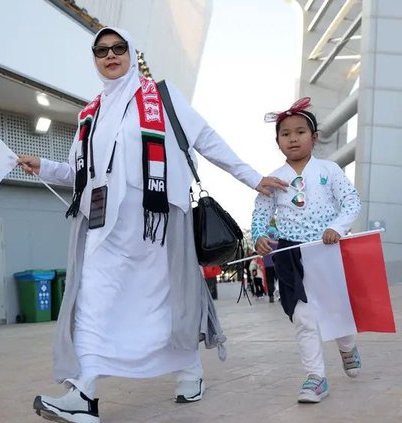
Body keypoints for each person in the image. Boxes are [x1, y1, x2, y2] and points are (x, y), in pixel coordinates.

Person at [18, 27, 287, 423]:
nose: (110, 55)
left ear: (131, 52)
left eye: (118, 48)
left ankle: (190, 369)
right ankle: (83, 392)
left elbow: (206, 139)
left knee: (166, 302)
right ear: (94, 59)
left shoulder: (161, 96)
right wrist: (44, 166)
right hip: (103, 224)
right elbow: (81, 172)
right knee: (93, 298)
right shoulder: (89, 114)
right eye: (101, 50)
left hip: (158, 224)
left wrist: (251, 177)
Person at [251, 97, 362, 404]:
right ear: (278, 142)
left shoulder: (330, 169)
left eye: (300, 132)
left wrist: (337, 228)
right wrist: (259, 236)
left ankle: (347, 346)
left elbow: (351, 202)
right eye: (285, 134)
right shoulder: (273, 179)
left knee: (335, 310)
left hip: (326, 251)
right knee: (303, 316)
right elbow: (260, 213)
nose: (293, 138)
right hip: (289, 255)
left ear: (314, 138)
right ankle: (316, 377)